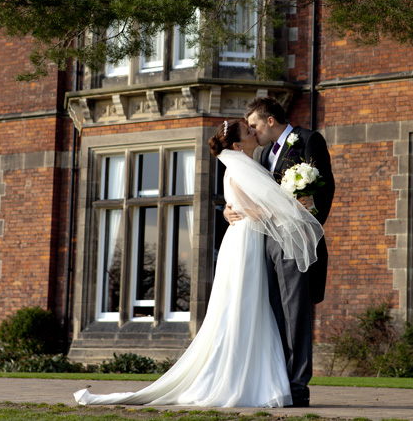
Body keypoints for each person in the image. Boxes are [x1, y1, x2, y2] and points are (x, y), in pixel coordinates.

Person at [74, 119, 323, 408]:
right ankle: (241, 380)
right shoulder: (240, 166)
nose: (254, 132)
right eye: (248, 130)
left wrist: (235, 209)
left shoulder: (251, 162)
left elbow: (246, 204)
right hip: (246, 245)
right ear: (238, 145)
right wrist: (293, 205)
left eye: (253, 126)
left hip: (251, 242)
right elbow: (258, 209)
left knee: (253, 310)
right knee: (242, 309)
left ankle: (259, 378)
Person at [225, 97, 335, 408]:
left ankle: (298, 389)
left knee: (296, 315)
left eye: (255, 125)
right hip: (265, 243)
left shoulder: (309, 140)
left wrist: (309, 217)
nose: (253, 131)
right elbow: (244, 192)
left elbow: (325, 187)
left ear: (270, 120)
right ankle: (277, 383)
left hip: (294, 240)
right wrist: (227, 211)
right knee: (274, 314)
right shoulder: (261, 156)